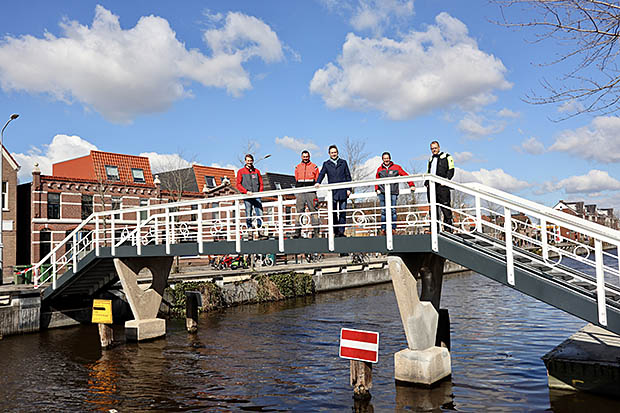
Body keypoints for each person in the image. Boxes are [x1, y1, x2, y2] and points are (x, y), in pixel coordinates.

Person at [315, 145, 352, 237]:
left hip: (343, 190)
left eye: (335, 152)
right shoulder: (326, 164)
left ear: (337, 152)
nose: (333, 154)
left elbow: (348, 176)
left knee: (343, 212)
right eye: (332, 152)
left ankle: (341, 231)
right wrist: (318, 182)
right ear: (329, 154)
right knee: (334, 212)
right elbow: (322, 174)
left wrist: (349, 189)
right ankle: (336, 231)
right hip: (333, 192)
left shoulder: (343, 163)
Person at [375, 152, 414, 235]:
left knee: (393, 210)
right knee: (383, 211)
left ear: (390, 158)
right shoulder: (379, 169)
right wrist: (376, 189)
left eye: (387, 158)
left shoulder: (396, 167)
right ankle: (383, 229)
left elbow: (405, 175)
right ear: (382, 159)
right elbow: (376, 179)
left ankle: (393, 228)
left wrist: (411, 184)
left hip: (393, 192)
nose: (386, 160)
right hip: (382, 193)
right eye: (384, 158)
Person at [425, 140, 455, 231]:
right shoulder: (430, 159)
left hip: (442, 186)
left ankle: (448, 228)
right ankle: (434, 228)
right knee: (433, 207)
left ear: (439, 148)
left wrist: (446, 180)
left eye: (435, 148)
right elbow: (428, 171)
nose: (434, 150)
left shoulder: (447, 156)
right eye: (432, 149)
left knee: (445, 206)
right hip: (432, 186)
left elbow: (451, 169)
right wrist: (426, 183)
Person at [236, 154, 265, 237]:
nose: (249, 162)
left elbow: (261, 183)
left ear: (252, 161)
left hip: (256, 196)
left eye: (250, 160)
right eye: (248, 161)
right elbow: (238, 184)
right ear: (245, 161)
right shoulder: (241, 172)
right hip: (247, 196)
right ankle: (249, 230)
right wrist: (245, 192)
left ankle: (260, 230)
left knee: (259, 212)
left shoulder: (257, 171)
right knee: (248, 213)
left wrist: (260, 192)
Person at [293, 150, 320, 238]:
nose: (305, 158)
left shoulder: (314, 167)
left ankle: (316, 232)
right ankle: (297, 231)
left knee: (314, 211)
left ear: (309, 157)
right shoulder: (297, 167)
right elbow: (296, 178)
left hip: (311, 191)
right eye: (304, 156)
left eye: (307, 156)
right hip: (301, 191)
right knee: (299, 211)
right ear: (301, 157)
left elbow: (317, 178)